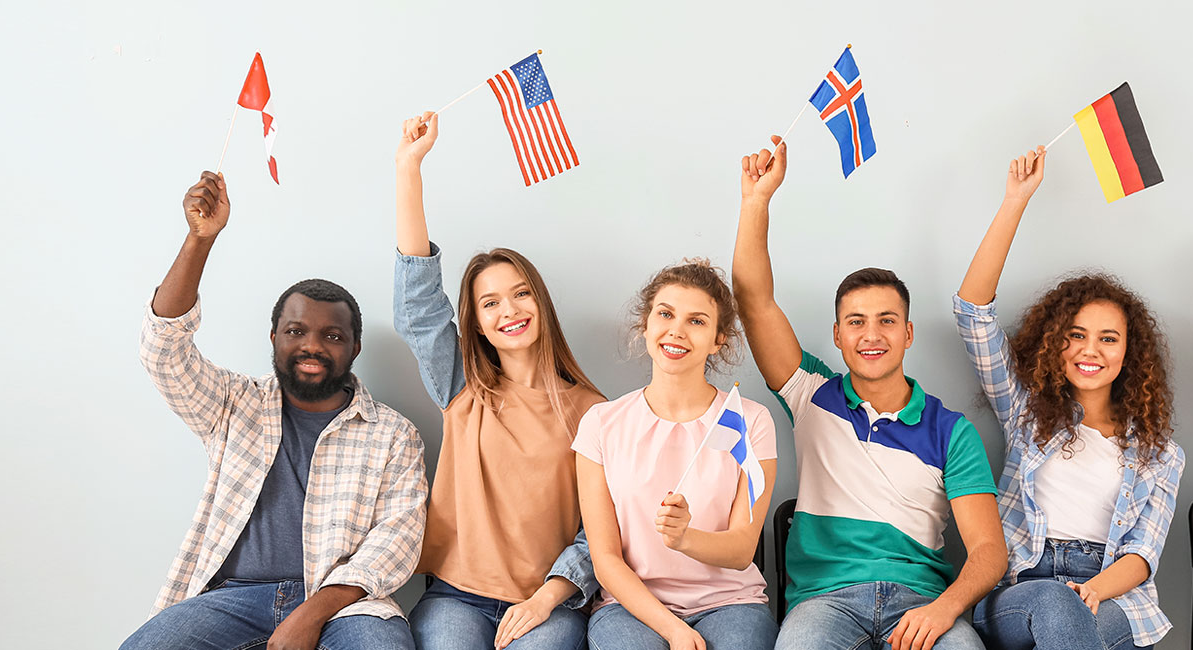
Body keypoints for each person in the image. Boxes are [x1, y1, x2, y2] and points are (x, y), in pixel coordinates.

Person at [122, 171, 427, 650]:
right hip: (231, 597)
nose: (312, 346)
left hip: (345, 604)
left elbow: (396, 541)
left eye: (332, 336)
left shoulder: (393, 433)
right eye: (296, 331)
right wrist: (200, 239)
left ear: (355, 348)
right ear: (274, 337)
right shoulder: (232, 403)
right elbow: (163, 351)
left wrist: (312, 612)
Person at [731, 136, 1004, 650]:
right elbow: (753, 299)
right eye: (856, 322)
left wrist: (944, 610)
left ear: (908, 332)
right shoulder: (810, 392)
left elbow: (989, 551)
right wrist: (756, 202)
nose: (871, 335)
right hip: (824, 602)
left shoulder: (952, 432)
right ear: (837, 336)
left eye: (887, 321)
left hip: (923, 604)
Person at [393, 112, 610, 650]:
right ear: (476, 323)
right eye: (489, 303)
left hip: (548, 601)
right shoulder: (461, 386)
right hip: (456, 596)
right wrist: (409, 169)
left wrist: (547, 598)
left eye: (520, 294)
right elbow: (418, 308)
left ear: (540, 302)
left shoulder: (593, 410)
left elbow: (600, 530)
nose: (508, 310)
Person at [952, 147, 1184, 650]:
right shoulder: (1025, 412)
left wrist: (1094, 590)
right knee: (1055, 605)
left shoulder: (1161, 453)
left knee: (1074, 621)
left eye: (1108, 339)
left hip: (1112, 591)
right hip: (1023, 586)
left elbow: (1143, 554)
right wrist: (1015, 201)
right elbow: (972, 314)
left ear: (1129, 352)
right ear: (1055, 343)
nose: (1090, 351)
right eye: (1076, 335)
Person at [572, 260, 780, 650]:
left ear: (718, 340)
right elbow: (606, 560)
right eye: (665, 314)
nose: (677, 331)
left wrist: (685, 538)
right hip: (631, 607)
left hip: (730, 603)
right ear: (646, 324)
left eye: (696, 321)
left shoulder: (751, 421)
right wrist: (674, 630)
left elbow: (741, 550)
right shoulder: (600, 423)